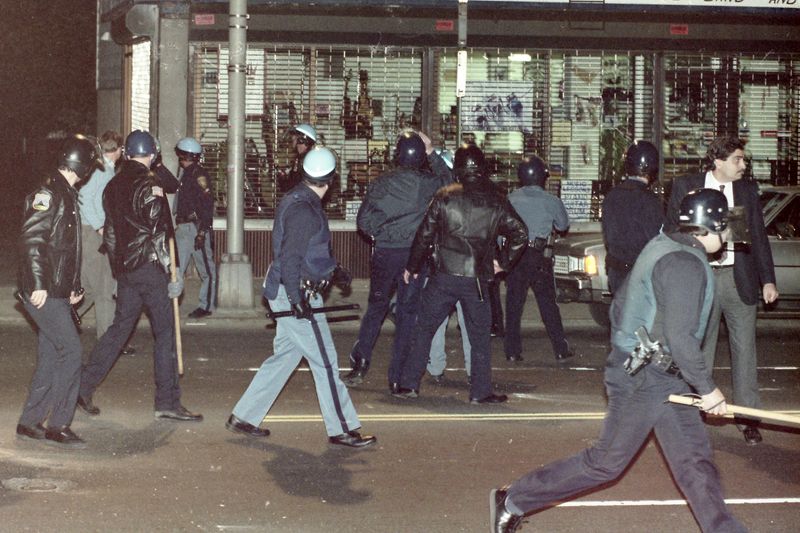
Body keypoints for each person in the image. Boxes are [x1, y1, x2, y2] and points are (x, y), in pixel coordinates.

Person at [491, 189, 747, 533]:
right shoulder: (684, 263)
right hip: (647, 377)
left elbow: (619, 306)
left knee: (694, 462)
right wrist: (708, 390)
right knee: (605, 464)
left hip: (655, 372)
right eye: (725, 227)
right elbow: (683, 338)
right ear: (710, 225)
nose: (728, 234)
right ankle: (513, 500)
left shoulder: (662, 245)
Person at [226, 147, 376, 448]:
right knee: (326, 361)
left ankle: (244, 415)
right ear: (331, 179)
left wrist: (334, 271)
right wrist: (297, 301)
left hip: (290, 287)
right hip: (296, 290)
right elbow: (291, 257)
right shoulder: (305, 210)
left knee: (285, 357)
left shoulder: (297, 198)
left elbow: (307, 252)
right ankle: (342, 428)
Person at [77, 130, 202, 423]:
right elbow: (160, 231)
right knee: (165, 333)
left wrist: (118, 266)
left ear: (128, 153)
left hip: (126, 269)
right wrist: (174, 272)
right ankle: (167, 402)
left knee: (119, 329)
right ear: (153, 154)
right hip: (151, 267)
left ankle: (82, 386)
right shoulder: (151, 184)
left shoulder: (113, 185)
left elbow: (109, 233)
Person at [393, 144, 528, 403]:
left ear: (457, 168)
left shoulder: (444, 195)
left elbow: (424, 235)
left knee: (424, 329)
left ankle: (409, 384)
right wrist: (504, 263)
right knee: (479, 338)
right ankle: (480, 392)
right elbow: (520, 233)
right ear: (482, 168)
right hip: (476, 278)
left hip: (443, 275)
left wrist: (412, 266)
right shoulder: (496, 199)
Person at [666, 135, 778, 446]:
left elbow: (759, 236)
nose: (744, 165)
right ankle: (695, 418)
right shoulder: (686, 187)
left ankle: (747, 419)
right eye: (738, 160)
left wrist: (767, 279)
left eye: (744, 160)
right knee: (700, 349)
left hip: (738, 278)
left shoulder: (746, 191)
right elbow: (672, 231)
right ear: (718, 162)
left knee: (745, 352)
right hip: (701, 278)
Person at [344, 131, 451, 392]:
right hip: (414, 256)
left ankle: (360, 363)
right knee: (407, 313)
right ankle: (396, 377)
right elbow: (451, 182)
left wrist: (383, 234)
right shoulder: (427, 184)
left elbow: (363, 221)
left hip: (385, 253)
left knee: (376, 307)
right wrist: (431, 152)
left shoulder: (381, 183)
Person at [16, 134, 101, 448]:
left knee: (52, 354)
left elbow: (66, 249)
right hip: (43, 290)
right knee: (71, 352)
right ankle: (59, 425)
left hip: (55, 289)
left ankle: (29, 421)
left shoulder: (66, 193)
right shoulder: (48, 194)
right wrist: (37, 283)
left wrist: (72, 287)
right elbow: (32, 240)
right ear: (82, 165)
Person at [504, 156, 572, 363]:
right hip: (538, 255)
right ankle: (560, 349)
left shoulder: (510, 198)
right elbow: (562, 226)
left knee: (514, 305)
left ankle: (512, 351)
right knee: (548, 304)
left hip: (515, 255)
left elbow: (501, 229)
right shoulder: (551, 200)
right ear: (542, 176)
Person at [77, 130, 139, 355]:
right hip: (93, 235)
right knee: (104, 288)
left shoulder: (104, 169)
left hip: (89, 234)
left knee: (91, 290)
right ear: (119, 150)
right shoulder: (101, 171)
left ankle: (63, 322)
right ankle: (108, 341)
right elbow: (84, 200)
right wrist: (100, 227)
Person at [601, 140, 665, 294]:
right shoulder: (650, 200)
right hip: (640, 272)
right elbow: (657, 240)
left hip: (615, 271)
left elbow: (607, 235)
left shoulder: (612, 196)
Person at [173, 136, 217, 319]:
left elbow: (207, 204)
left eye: (181, 155)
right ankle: (170, 306)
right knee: (176, 269)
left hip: (195, 227)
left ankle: (206, 306)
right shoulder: (186, 174)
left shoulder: (199, 175)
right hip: (183, 227)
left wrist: (202, 231)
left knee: (206, 269)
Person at [277, 123, 318, 194]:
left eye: (294, 136)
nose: (292, 138)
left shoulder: (307, 161)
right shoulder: (300, 158)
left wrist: (281, 178)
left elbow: (292, 186)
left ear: (302, 140)